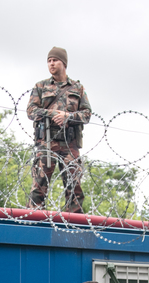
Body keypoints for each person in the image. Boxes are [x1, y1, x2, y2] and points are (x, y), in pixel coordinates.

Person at [26, 46, 92, 214]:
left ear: (63, 63)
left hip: (69, 144)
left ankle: (74, 225)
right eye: (49, 61)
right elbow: (31, 111)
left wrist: (67, 116)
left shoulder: (77, 88)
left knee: (74, 187)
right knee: (39, 186)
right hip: (46, 142)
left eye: (55, 60)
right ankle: (34, 220)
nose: (51, 64)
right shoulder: (41, 86)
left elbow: (86, 114)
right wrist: (52, 113)